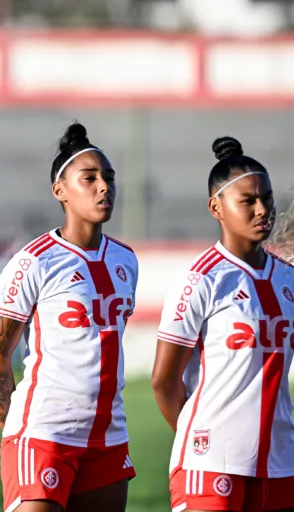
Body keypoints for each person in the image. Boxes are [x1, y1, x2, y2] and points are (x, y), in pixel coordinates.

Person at [0, 122, 137, 512]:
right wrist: (17, 431)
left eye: (109, 178)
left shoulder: (126, 260)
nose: (104, 186)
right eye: (90, 178)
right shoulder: (33, 262)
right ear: (60, 191)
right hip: (44, 434)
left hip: (108, 436)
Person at [151, 137, 294, 512]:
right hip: (211, 464)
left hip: (280, 463)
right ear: (217, 207)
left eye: (267, 198)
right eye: (248, 201)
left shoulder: (289, 281)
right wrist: (200, 438)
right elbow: (164, 381)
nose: (263, 209)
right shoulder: (201, 280)